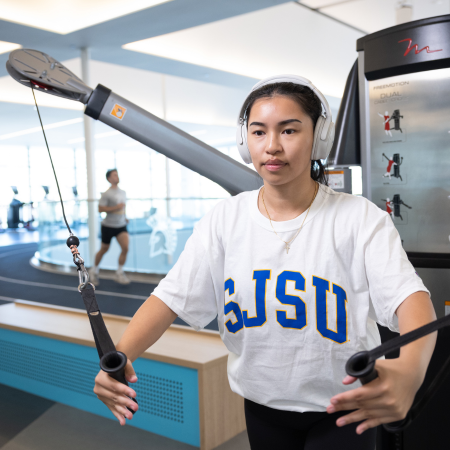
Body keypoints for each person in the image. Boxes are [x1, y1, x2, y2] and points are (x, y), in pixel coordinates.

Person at [94, 77, 436, 449]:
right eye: (259, 132)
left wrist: (411, 368)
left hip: (346, 409)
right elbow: (170, 298)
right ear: (245, 142)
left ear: (319, 137)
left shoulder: (359, 219)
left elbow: (411, 299)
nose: (272, 146)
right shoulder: (224, 220)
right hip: (262, 406)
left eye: (289, 130)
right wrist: (120, 356)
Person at [89, 169, 130, 285]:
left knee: (125, 248)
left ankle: (119, 273)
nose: (117, 177)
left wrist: (124, 217)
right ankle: (94, 271)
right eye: (115, 175)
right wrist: (116, 208)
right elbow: (100, 209)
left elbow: (123, 208)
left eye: (117, 174)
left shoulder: (123, 192)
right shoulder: (106, 194)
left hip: (121, 225)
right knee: (104, 249)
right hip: (108, 226)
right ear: (109, 179)